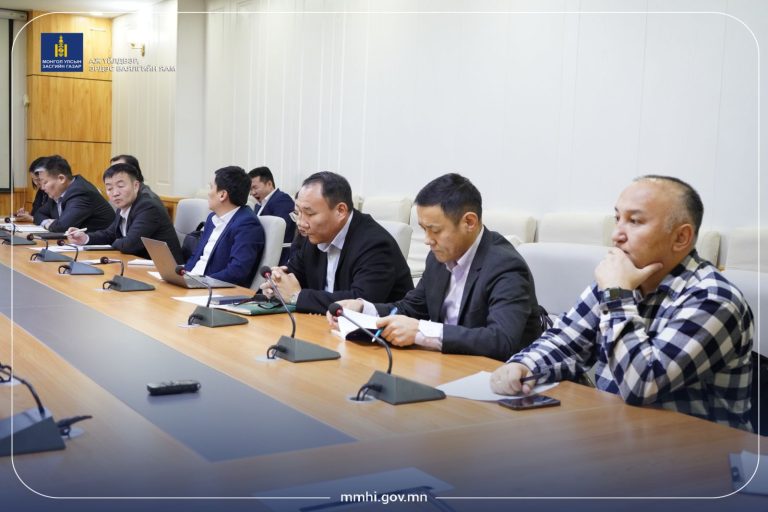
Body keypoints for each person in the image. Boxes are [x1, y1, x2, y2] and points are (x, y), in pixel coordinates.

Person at [490, 175, 754, 431]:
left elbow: (642, 384)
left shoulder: (713, 299)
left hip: (698, 452)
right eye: (618, 218)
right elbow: (565, 341)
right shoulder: (622, 278)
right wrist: (523, 365)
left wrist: (617, 293)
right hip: (617, 434)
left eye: (635, 221)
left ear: (681, 238)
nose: (616, 234)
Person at [329, 173, 544, 361]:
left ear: (469, 222)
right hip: (449, 364)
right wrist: (363, 309)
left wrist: (421, 331)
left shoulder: (505, 265)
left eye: (435, 230)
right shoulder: (438, 257)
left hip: (498, 376)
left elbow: (501, 340)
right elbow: (411, 308)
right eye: (424, 229)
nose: (427, 240)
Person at [260, 171, 413, 314]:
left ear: (340, 211)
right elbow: (293, 275)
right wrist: (276, 284)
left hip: (375, 331)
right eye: (297, 212)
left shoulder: (375, 244)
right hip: (323, 324)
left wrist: (297, 296)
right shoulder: (313, 236)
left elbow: (360, 302)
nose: (300, 223)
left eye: (309, 213)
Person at [66, 163, 183, 262]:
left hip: (164, 271)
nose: (115, 193)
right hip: (137, 265)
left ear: (136, 186)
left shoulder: (148, 207)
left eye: (120, 186)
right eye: (109, 188)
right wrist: (85, 238)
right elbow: (109, 234)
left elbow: (130, 244)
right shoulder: (124, 206)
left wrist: (113, 242)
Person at [185, 166, 264, 288]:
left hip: (214, 289)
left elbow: (236, 271)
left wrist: (201, 282)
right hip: (193, 283)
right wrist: (183, 274)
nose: (208, 192)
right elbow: (196, 256)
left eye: (211, 187)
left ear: (222, 195)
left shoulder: (247, 225)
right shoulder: (212, 218)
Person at [34, 155, 115, 232]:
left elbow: (62, 227)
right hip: (73, 240)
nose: (42, 188)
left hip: (99, 240)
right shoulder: (57, 193)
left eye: (45, 182)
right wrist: (48, 222)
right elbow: (38, 214)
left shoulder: (81, 193)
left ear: (61, 179)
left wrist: (48, 225)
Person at [248, 166, 296, 264]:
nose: (252, 193)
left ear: (269, 184)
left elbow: (282, 232)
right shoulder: (259, 205)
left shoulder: (282, 200)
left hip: (278, 257)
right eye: (250, 189)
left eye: (255, 187)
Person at [14, 157, 50, 224]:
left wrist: (31, 218)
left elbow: (54, 219)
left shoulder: (53, 192)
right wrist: (26, 215)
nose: (36, 183)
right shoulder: (40, 191)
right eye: (33, 179)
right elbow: (36, 213)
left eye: (38, 179)